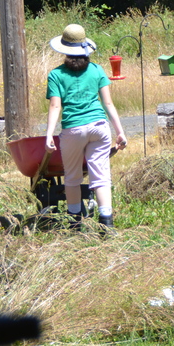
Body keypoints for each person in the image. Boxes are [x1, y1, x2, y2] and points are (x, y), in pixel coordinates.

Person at [44, 24, 127, 231]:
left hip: (73, 130)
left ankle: (75, 224)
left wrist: (48, 136)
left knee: (72, 177)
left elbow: (56, 106)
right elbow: (108, 104)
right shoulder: (97, 69)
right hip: (99, 127)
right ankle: (106, 222)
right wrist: (120, 132)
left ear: (64, 50)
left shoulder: (56, 75)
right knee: (101, 176)